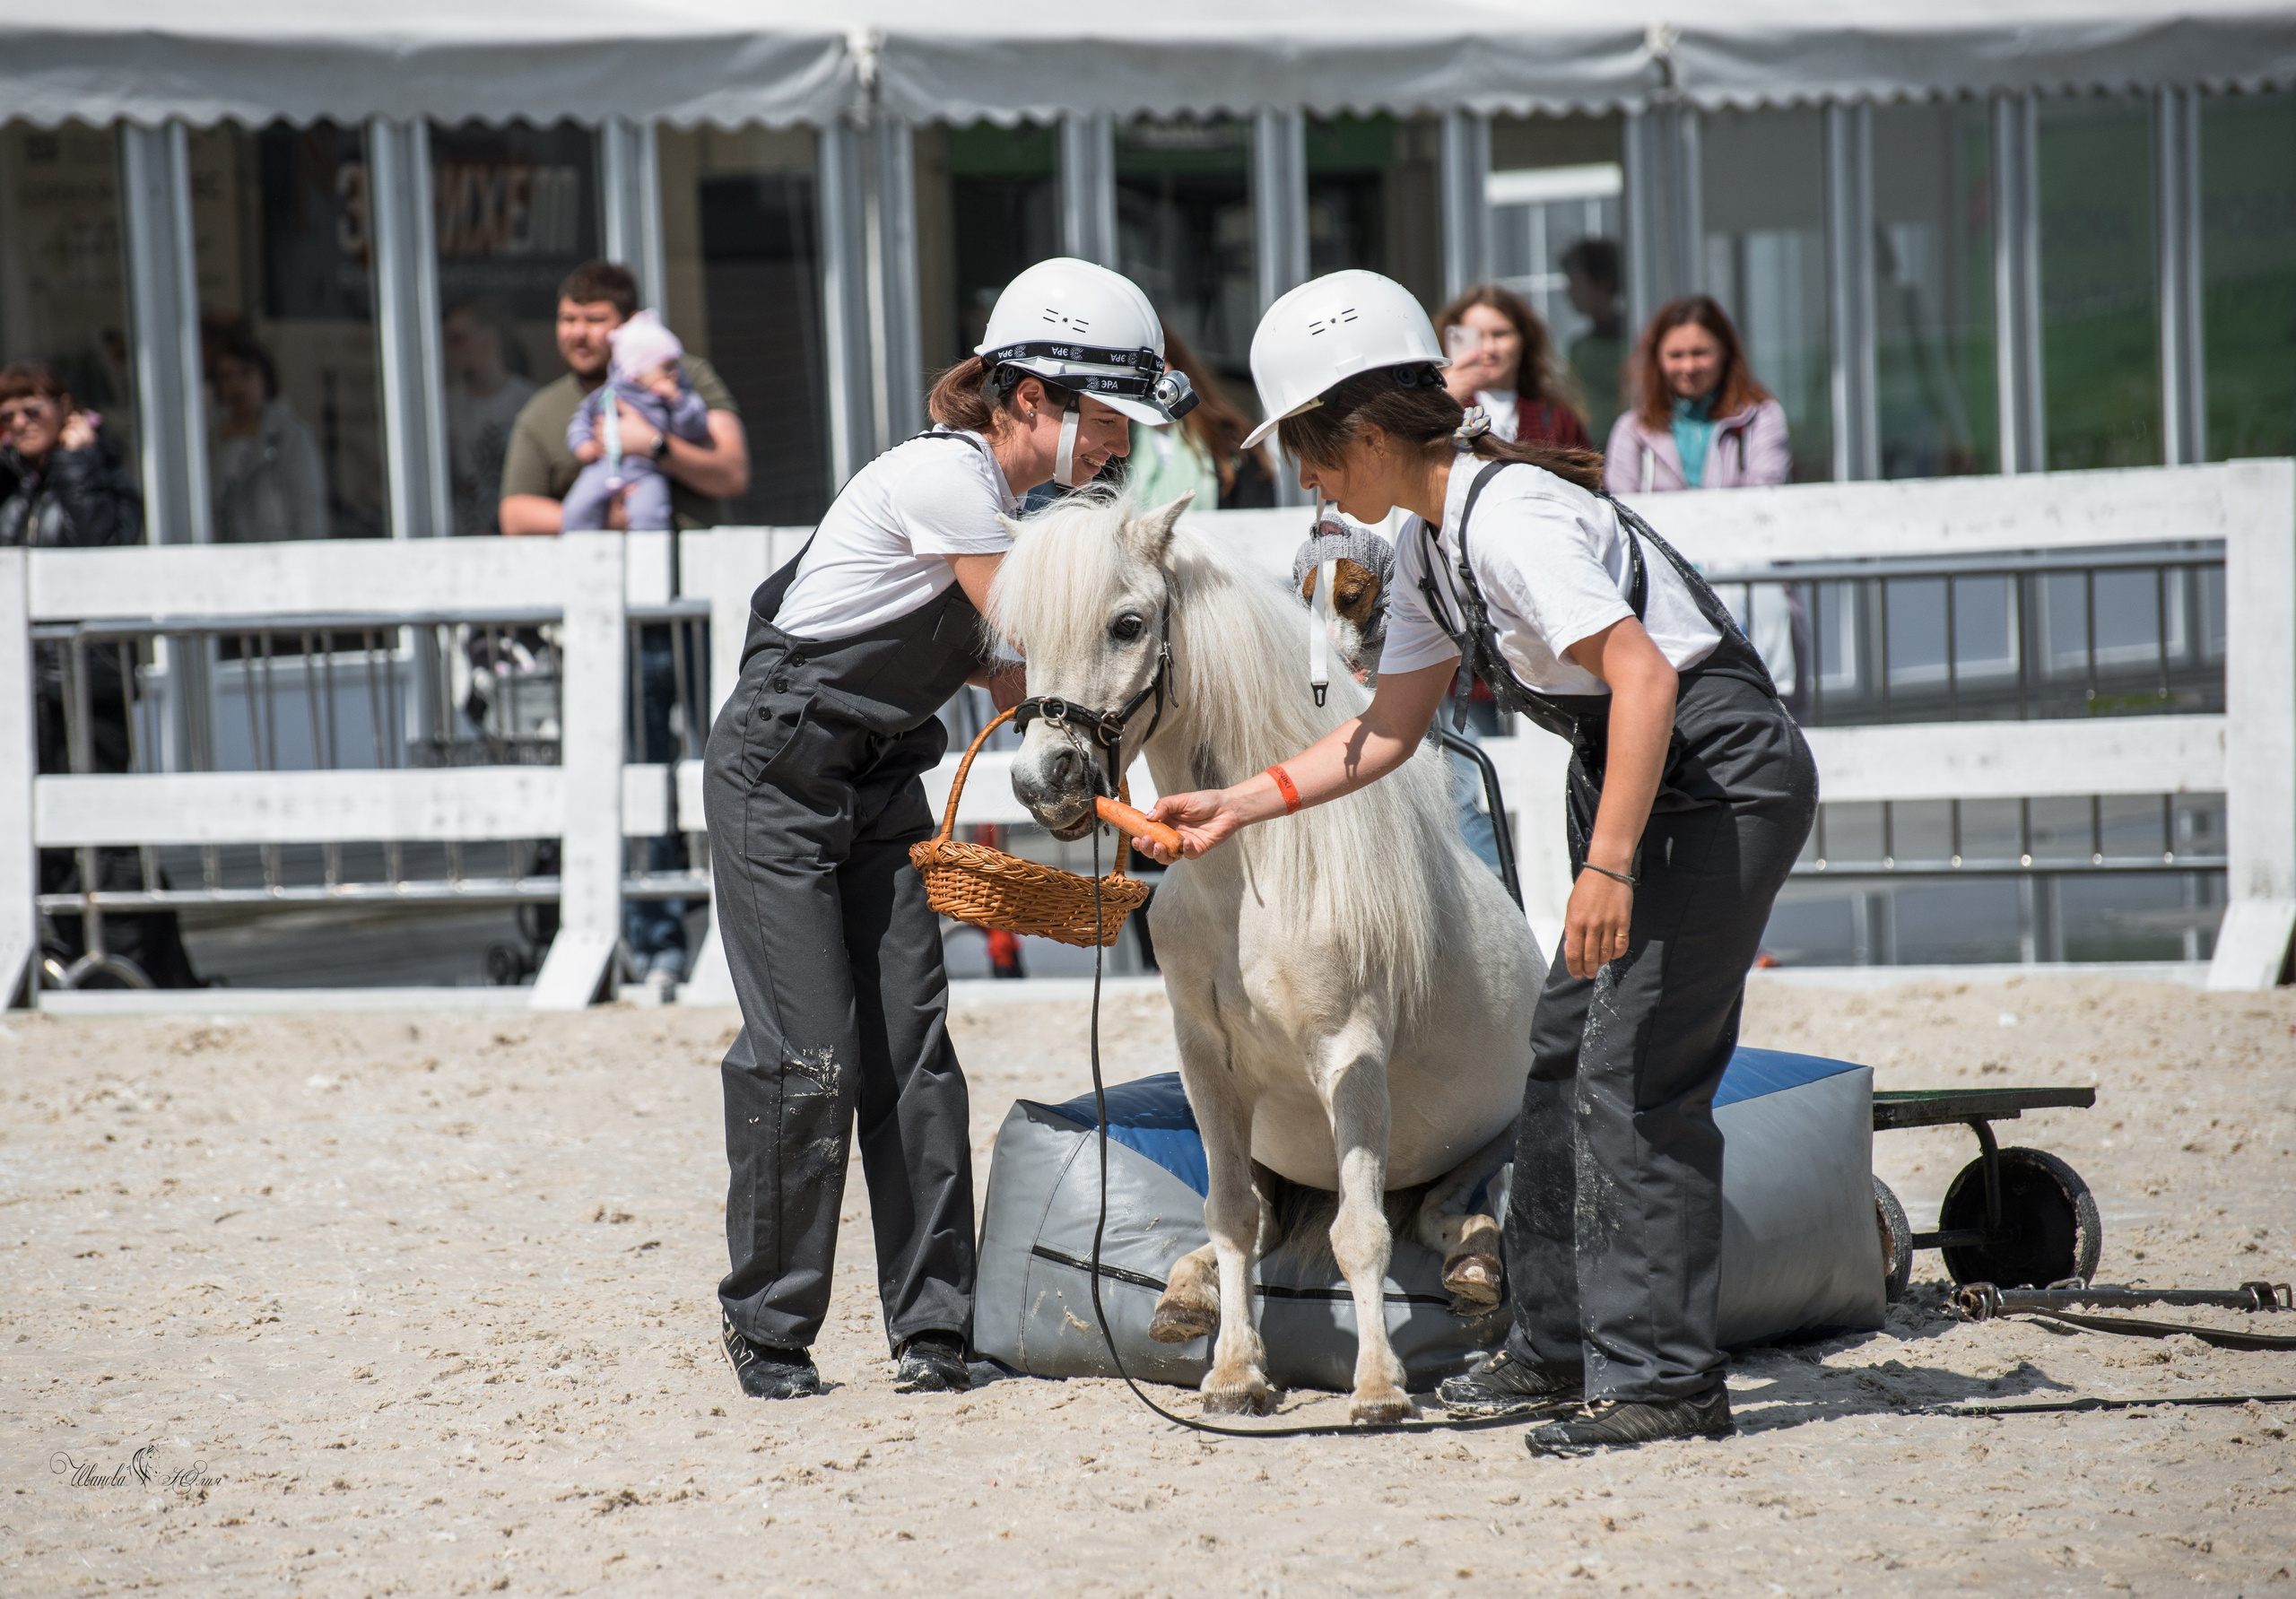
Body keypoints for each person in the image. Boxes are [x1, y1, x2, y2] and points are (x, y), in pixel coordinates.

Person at [1128, 271, 1816, 1454]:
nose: (1301, 472)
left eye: (1305, 445)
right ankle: (1548, 1350)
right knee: (1559, 1055)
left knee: (1634, 1070)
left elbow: (1648, 676)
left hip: (1718, 772)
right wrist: (1234, 806)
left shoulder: (1509, 519)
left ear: (1366, 429)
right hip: (1638, 769)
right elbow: (1384, 733)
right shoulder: (1428, 546)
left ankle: (1664, 1376)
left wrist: (1602, 868)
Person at [705, 257, 1194, 1403]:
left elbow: (1020, 685)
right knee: (811, 1053)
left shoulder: (1004, 511)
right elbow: (1035, 641)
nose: (1120, 445)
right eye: (1110, 417)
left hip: (876, 783)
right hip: (778, 779)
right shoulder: (949, 482)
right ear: (1032, 397)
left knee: (914, 1055)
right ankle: (770, 1327)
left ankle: (933, 1326)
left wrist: (1123, 809)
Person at [499, 262, 750, 987]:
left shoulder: (682, 374)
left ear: (630, 325)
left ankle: (742, 925)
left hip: (706, 611)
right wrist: (597, 520)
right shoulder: (547, 412)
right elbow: (516, 513)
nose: (579, 334)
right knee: (637, 775)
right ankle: (658, 940)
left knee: (732, 763)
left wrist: (655, 445)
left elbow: (730, 469)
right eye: (568, 318)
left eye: (595, 319)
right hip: (619, 628)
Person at [1, 361, 201, 989]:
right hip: (25, 690)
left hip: (90, 684)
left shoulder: (100, 477)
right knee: (42, 832)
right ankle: (76, 953)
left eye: (32, 408)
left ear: (67, 410)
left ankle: (132, 959)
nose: (19, 422)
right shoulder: (12, 490)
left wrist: (78, 465)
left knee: (108, 830)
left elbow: (105, 549)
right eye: (6, 415)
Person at [1605, 296, 1790, 493]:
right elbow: (1622, 507)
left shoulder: (1760, 419)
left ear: (1725, 351)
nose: (1689, 367)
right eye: (1676, 355)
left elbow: (1767, 498)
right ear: (1657, 358)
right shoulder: (1632, 430)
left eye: (1700, 353)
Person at [561, 311, 711, 533]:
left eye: (675, 367)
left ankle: (650, 563)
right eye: (666, 367)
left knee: (650, 514)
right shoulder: (608, 395)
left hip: (648, 472)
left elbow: (695, 428)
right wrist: (582, 444)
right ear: (635, 372)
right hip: (603, 469)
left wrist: (677, 402)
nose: (674, 374)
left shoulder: (676, 397)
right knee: (577, 509)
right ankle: (584, 561)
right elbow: (581, 420)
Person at [1126, 319, 1276, 511]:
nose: (1163, 372)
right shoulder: (1111, 446)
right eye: (1148, 368)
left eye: (1163, 362)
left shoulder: (1230, 441)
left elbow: (1257, 515)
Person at [207, 326, 330, 543]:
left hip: (276, 563)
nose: (236, 385)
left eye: (245, 373)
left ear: (265, 378)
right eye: (226, 376)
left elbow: (310, 514)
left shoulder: (291, 438)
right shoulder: (209, 441)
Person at [1436, 283, 1592, 450]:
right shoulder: (1442, 407)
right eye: (1477, 336)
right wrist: (1439, 403)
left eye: (1500, 334)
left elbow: (1586, 472)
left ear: (1524, 339)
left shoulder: (1555, 418)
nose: (1489, 348)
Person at [443, 298, 536, 536]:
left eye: (458, 339)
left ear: (488, 339)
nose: (449, 349)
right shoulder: (446, 409)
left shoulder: (530, 404)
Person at [1560, 239, 1628, 443]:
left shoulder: (1632, 340)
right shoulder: (1580, 347)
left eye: (1575, 282)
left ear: (1602, 284)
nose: (1569, 292)